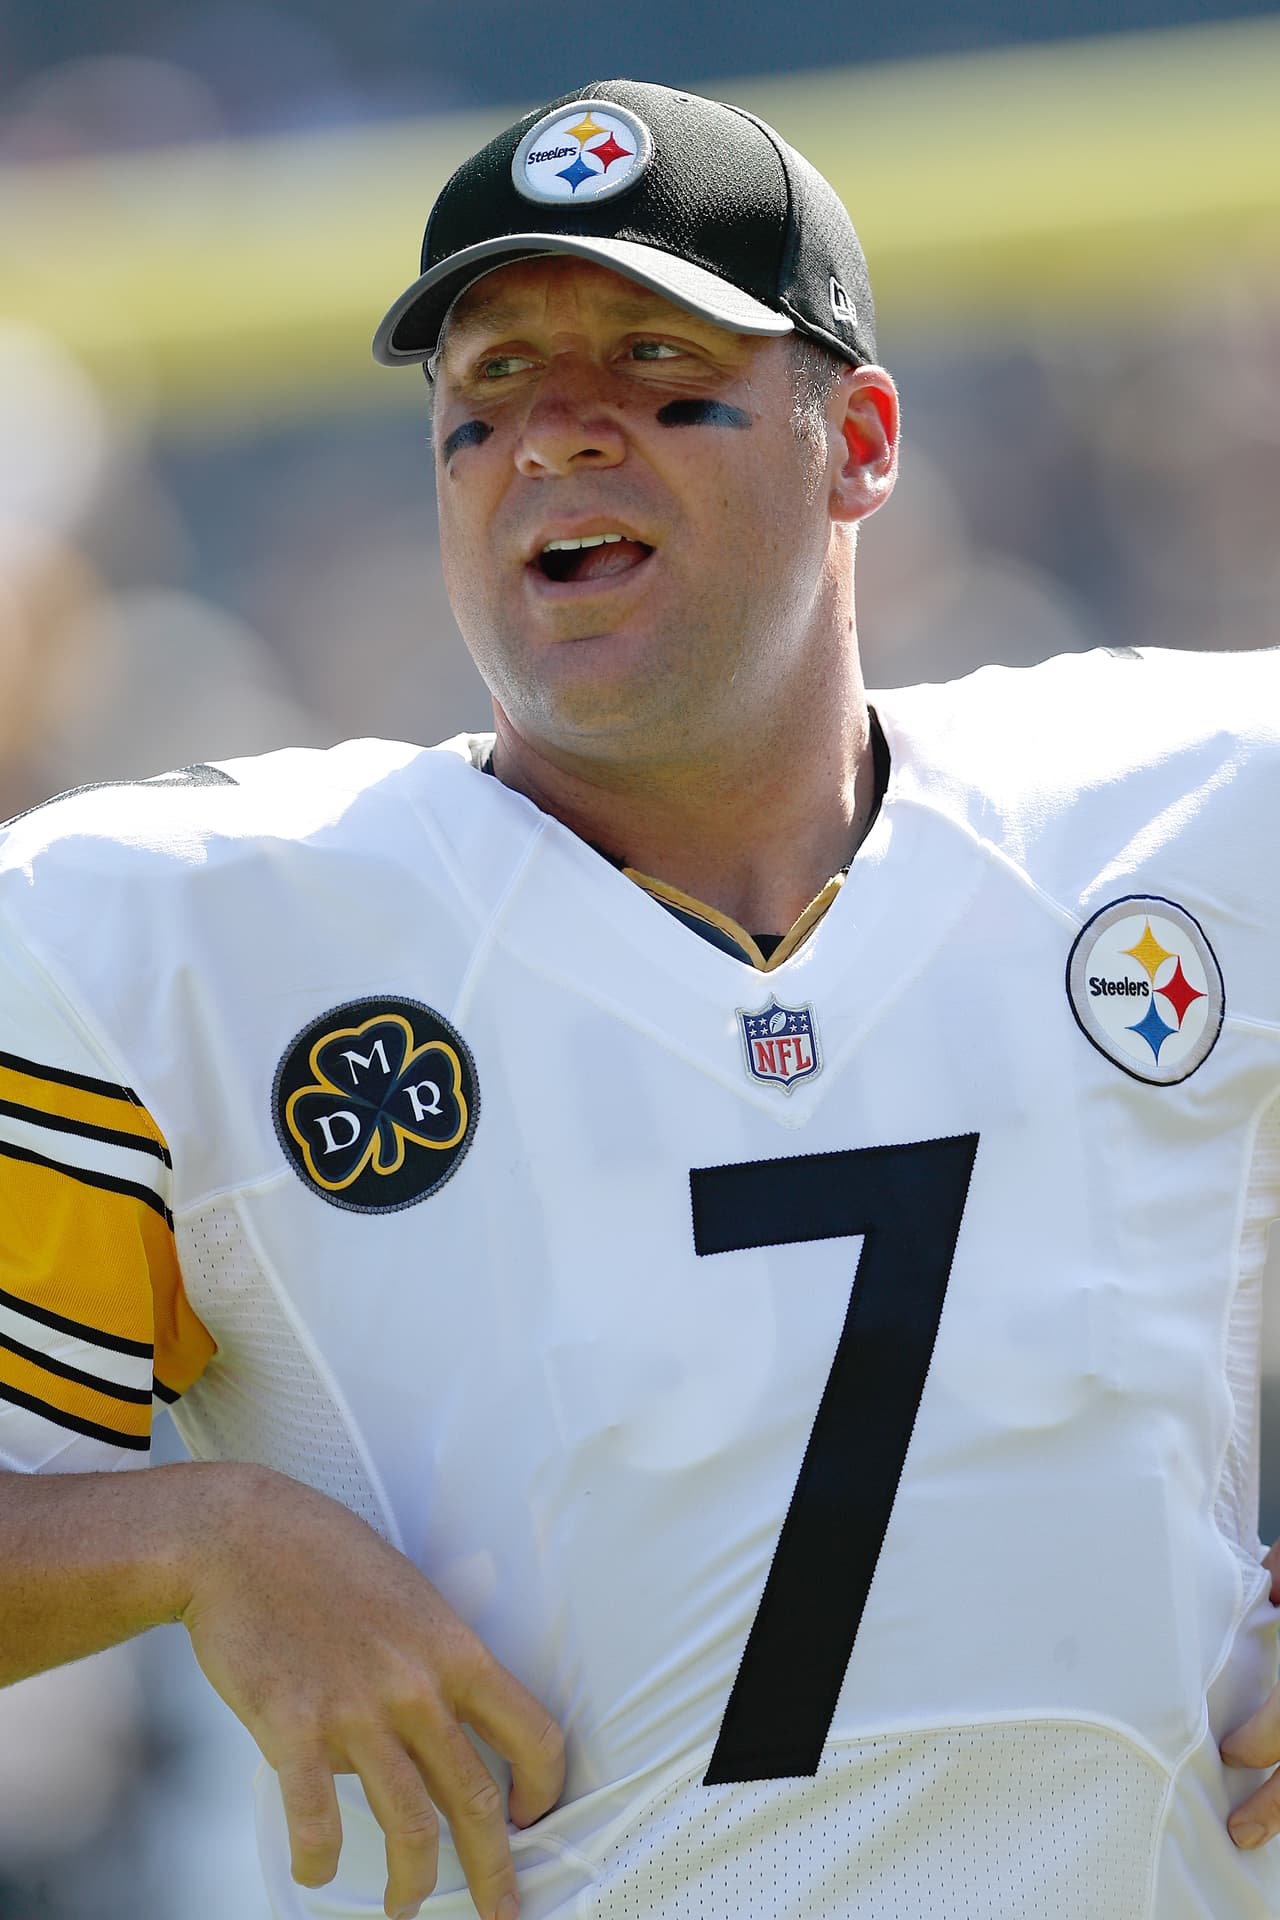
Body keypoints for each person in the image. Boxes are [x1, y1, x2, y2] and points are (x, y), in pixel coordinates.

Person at [0, 76, 1278, 1920]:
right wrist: (200, 1536)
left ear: (858, 443)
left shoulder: (1189, 818)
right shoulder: (166, 942)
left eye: (655, 360)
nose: (554, 433)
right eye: (492, 384)